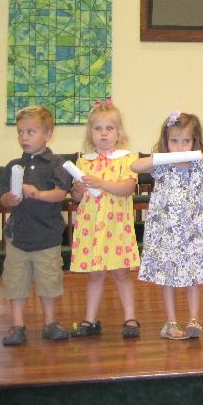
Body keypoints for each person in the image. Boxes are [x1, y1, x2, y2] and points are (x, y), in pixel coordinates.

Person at [133, 111, 203, 340]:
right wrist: (161, 157)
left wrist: (199, 155)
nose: (180, 146)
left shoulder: (197, 164)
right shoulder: (161, 165)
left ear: (194, 142)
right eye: (174, 141)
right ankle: (170, 322)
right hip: (166, 232)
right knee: (167, 277)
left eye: (186, 141)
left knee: (194, 276)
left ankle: (194, 319)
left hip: (193, 231)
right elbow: (136, 166)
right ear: (166, 141)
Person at [0, 105, 73, 346]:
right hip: (17, 236)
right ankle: (17, 325)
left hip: (47, 236)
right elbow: (3, 197)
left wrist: (38, 194)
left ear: (48, 134)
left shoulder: (57, 163)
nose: (24, 137)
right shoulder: (12, 166)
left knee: (49, 281)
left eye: (30, 132)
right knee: (15, 282)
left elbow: (61, 193)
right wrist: (9, 199)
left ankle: (50, 323)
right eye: (20, 132)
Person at [69, 100, 141, 339]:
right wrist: (77, 189)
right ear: (90, 133)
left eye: (109, 128)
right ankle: (90, 319)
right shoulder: (84, 161)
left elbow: (127, 188)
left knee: (121, 273)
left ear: (119, 133)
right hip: (92, 228)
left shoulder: (126, 159)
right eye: (98, 128)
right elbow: (77, 198)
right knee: (95, 274)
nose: (103, 134)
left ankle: (130, 318)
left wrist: (101, 183)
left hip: (116, 227)